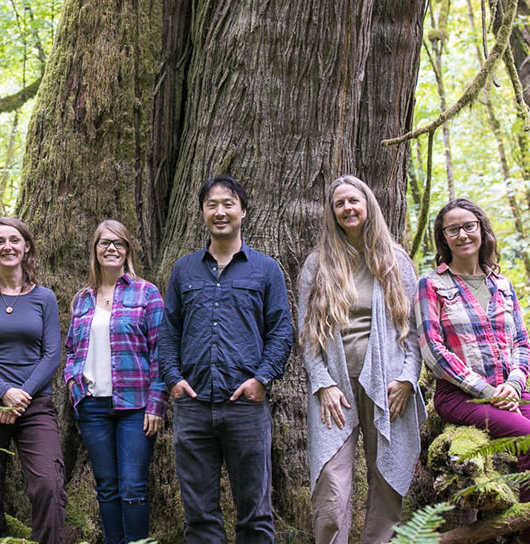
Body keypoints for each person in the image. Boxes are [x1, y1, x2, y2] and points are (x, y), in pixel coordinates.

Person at [158, 175, 293, 543]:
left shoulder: (266, 269)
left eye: (228, 204)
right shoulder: (184, 269)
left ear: (243, 211)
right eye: (212, 204)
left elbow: (281, 331)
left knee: (255, 514)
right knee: (199, 516)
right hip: (193, 405)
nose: (220, 212)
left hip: (246, 407)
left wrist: (261, 380)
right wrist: (172, 379)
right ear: (202, 212)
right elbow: (169, 331)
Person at [297, 175, 426, 544]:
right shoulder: (316, 265)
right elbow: (307, 337)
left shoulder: (395, 261)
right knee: (331, 485)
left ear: (368, 205)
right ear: (332, 213)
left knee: (387, 480)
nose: (347, 208)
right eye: (339, 204)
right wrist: (322, 383)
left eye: (353, 200)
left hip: (389, 386)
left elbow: (414, 331)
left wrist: (407, 378)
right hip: (335, 387)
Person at [416, 199, 530, 513]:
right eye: (453, 229)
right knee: (527, 436)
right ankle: (520, 524)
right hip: (460, 396)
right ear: (443, 237)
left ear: (481, 229)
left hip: (510, 391)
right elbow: (433, 352)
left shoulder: (503, 285)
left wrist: (514, 386)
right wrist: (490, 393)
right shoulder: (432, 285)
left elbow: (521, 343)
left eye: (469, 226)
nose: (463, 235)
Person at [0, 217, 67, 544]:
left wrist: (19, 396)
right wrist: (3, 392)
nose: (7, 246)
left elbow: (51, 354)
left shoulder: (44, 298)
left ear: (26, 247)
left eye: (14, 240)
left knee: (48, 484)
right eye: (0, 242)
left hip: (34, 404)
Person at [64, 219, 166, 544]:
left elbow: (161, 352)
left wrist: (157, 404)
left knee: (133, 488)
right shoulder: (82, 299)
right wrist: (72, 382)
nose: (111, 248)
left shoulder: (146, 293)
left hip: (136, 407)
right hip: (92, 406)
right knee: (106, 488)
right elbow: (71, 349)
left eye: (118, 243)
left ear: (127, 251)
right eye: (104, 242)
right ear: (95, 250)